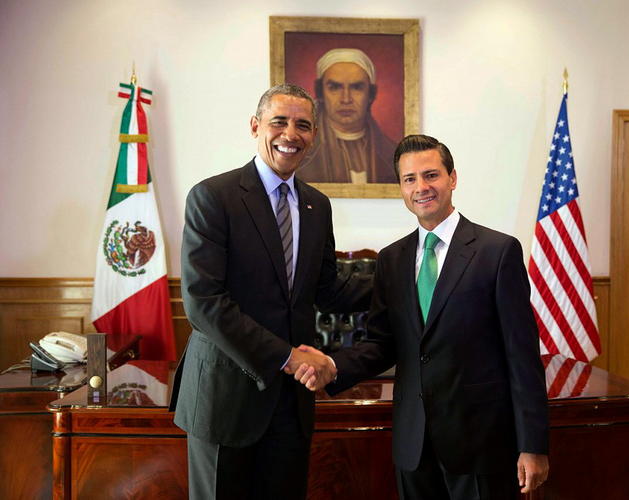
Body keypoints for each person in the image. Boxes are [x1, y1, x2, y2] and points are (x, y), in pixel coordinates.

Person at [292, 134, 550, 499]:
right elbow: (382, 344)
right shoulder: (392, 259)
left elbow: (522, 356)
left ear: (452, 178)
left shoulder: (497, 252)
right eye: (409, 179)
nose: (421, 187)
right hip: (414, 445)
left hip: (480, 444)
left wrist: (533, 444)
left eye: (431, 175)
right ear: (401, 187)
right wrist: (333, 367)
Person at [169, 83, 371, 500]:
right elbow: (204, 303)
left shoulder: (317, 205)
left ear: (314, 135)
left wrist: (407, 277)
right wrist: (287, 356)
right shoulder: (213, 197)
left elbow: (328, 290)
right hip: (225, 399)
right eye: (279, 122)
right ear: (255, 126)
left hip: (291, 404)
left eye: (303, 125)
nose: (290, 134)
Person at [297, 48, 397, 184]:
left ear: (370, 94)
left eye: (357, 88)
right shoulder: (301, 153)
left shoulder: (392, 154)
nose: (345, 99)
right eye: (334, 88)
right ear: (320, 92)